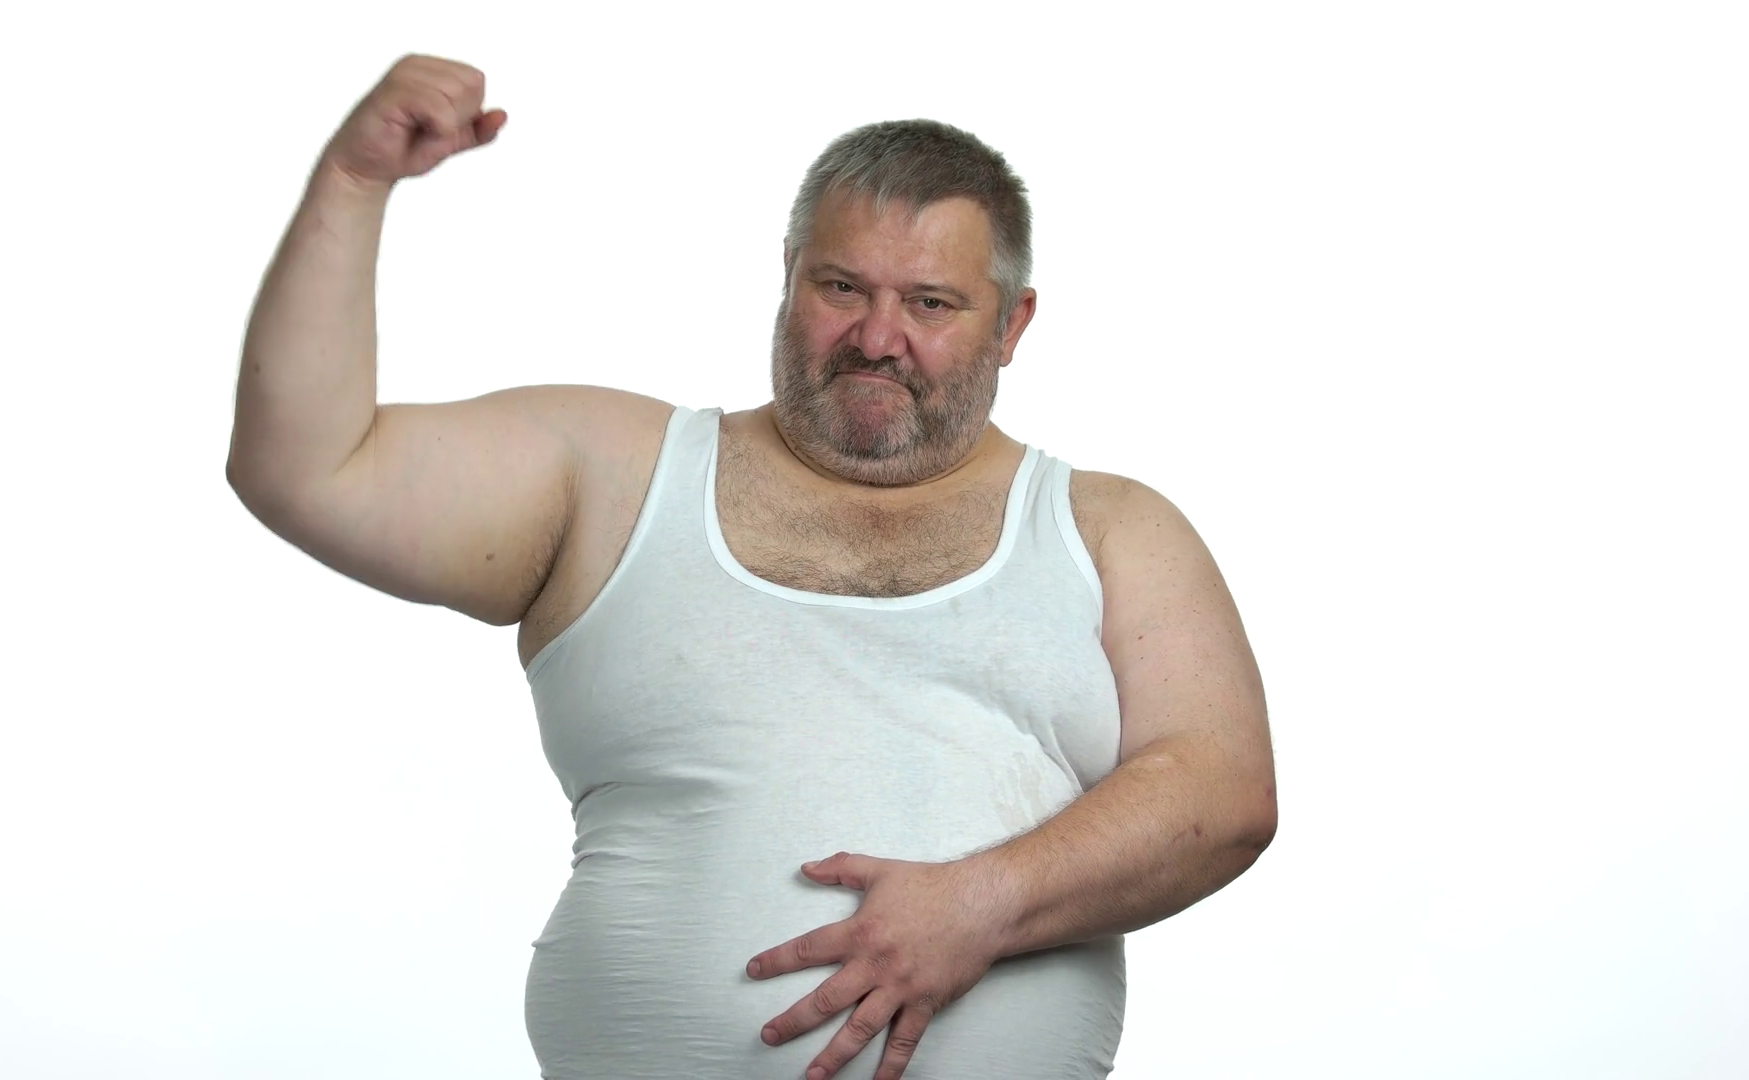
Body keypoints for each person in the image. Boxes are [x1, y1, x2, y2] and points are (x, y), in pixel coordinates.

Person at [227, 53, 1277, 1080]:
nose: (877, 337)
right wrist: (353, 182)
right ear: (786, 277)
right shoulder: (615, 475)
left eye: (930, 303)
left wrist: (982, 904)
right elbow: (308, 471)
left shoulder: (1110, 529)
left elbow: (1224, 793)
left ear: (1012, 324)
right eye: (841, 287)